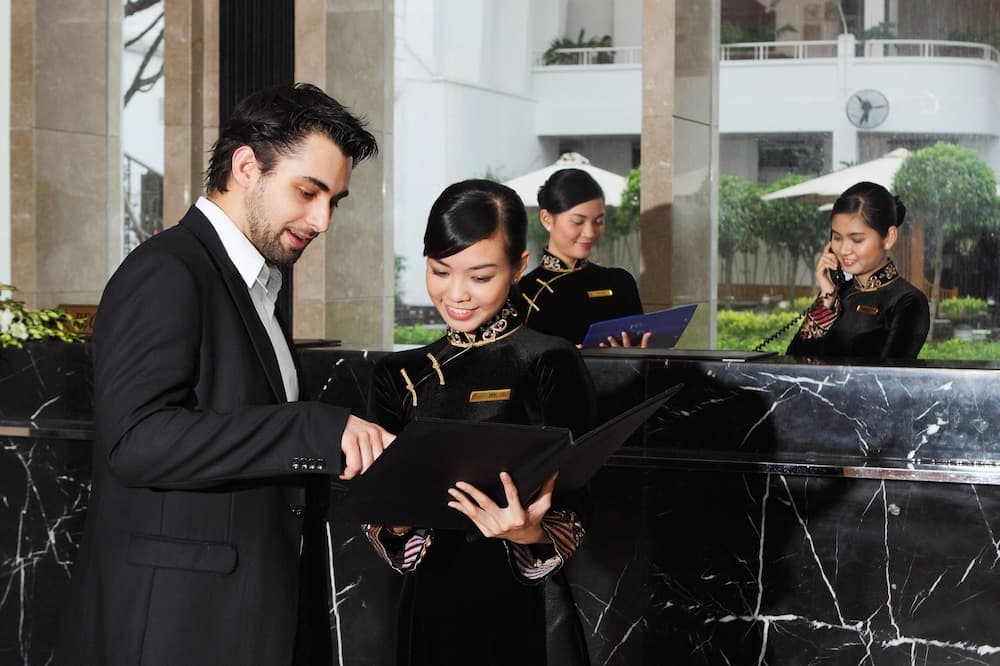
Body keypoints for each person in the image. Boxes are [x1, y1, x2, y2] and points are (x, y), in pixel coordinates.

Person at [54, 83, 395, 666]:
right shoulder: (166, 271)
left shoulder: (256, 286)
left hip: (248, 617)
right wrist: (312, 428)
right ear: (245, 167)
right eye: (307, 192)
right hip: (177, 629)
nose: (321, 220)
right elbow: (136, 441)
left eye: (333, 201)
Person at [365, 179, 596, 665]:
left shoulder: (549, 361)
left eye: (481, 276)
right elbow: (379, 519)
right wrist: (397, 520)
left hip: (523, 610)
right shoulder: (397, 375)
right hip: (426, 611)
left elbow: (578, 505)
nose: (456, 294)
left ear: (519, 266)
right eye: (440, 271)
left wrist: (530, 533)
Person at [787, 181, 930, 359]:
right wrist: (826, 299)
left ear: (889, 238)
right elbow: (793, 360)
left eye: (857, 240)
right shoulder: (837, 294)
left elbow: (889, 373)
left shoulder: (908, 301)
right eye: (837, 238)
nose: (843, 250)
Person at [518, 168, 647, 347]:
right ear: (547, 219)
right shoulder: (523, 293)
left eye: (598, 221)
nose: (590, 233)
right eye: (578, 222)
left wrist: (633, 356)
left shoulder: (620, 283)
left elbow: (643, 351)